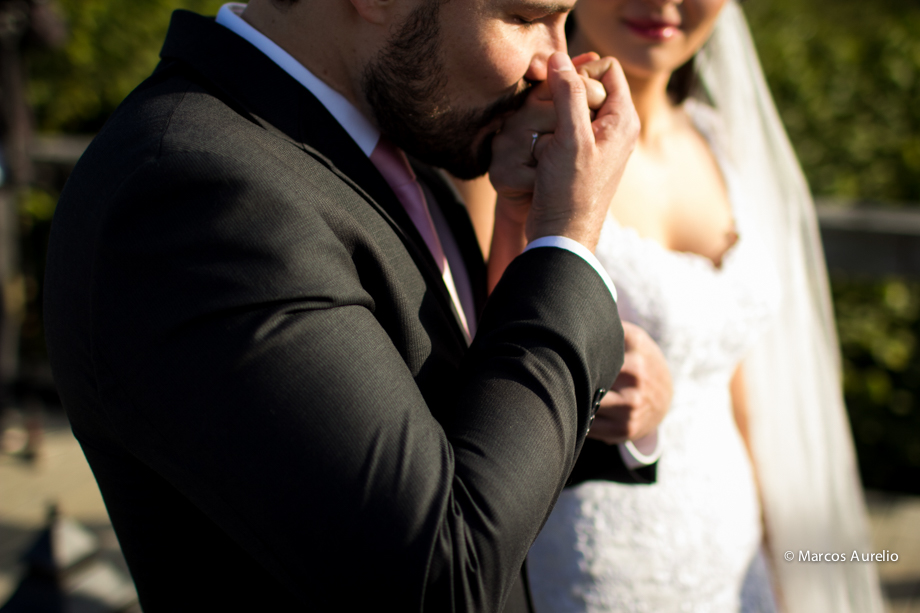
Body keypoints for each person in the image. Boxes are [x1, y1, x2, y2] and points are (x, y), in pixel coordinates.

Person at [42, 0, 673, 610]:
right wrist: (567, 239)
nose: (557, 63)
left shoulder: (383, 133)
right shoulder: (194, 193)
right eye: (528, 18)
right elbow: (442, 576)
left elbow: (453, 435)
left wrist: (526, 222)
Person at [467, 0, 885, 611]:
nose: (663, 3)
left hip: (738, 561)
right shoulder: (515, 148)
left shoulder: (723, 142)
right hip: (596, 563)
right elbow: (479, 361)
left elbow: (739, 383)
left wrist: (778, 554)